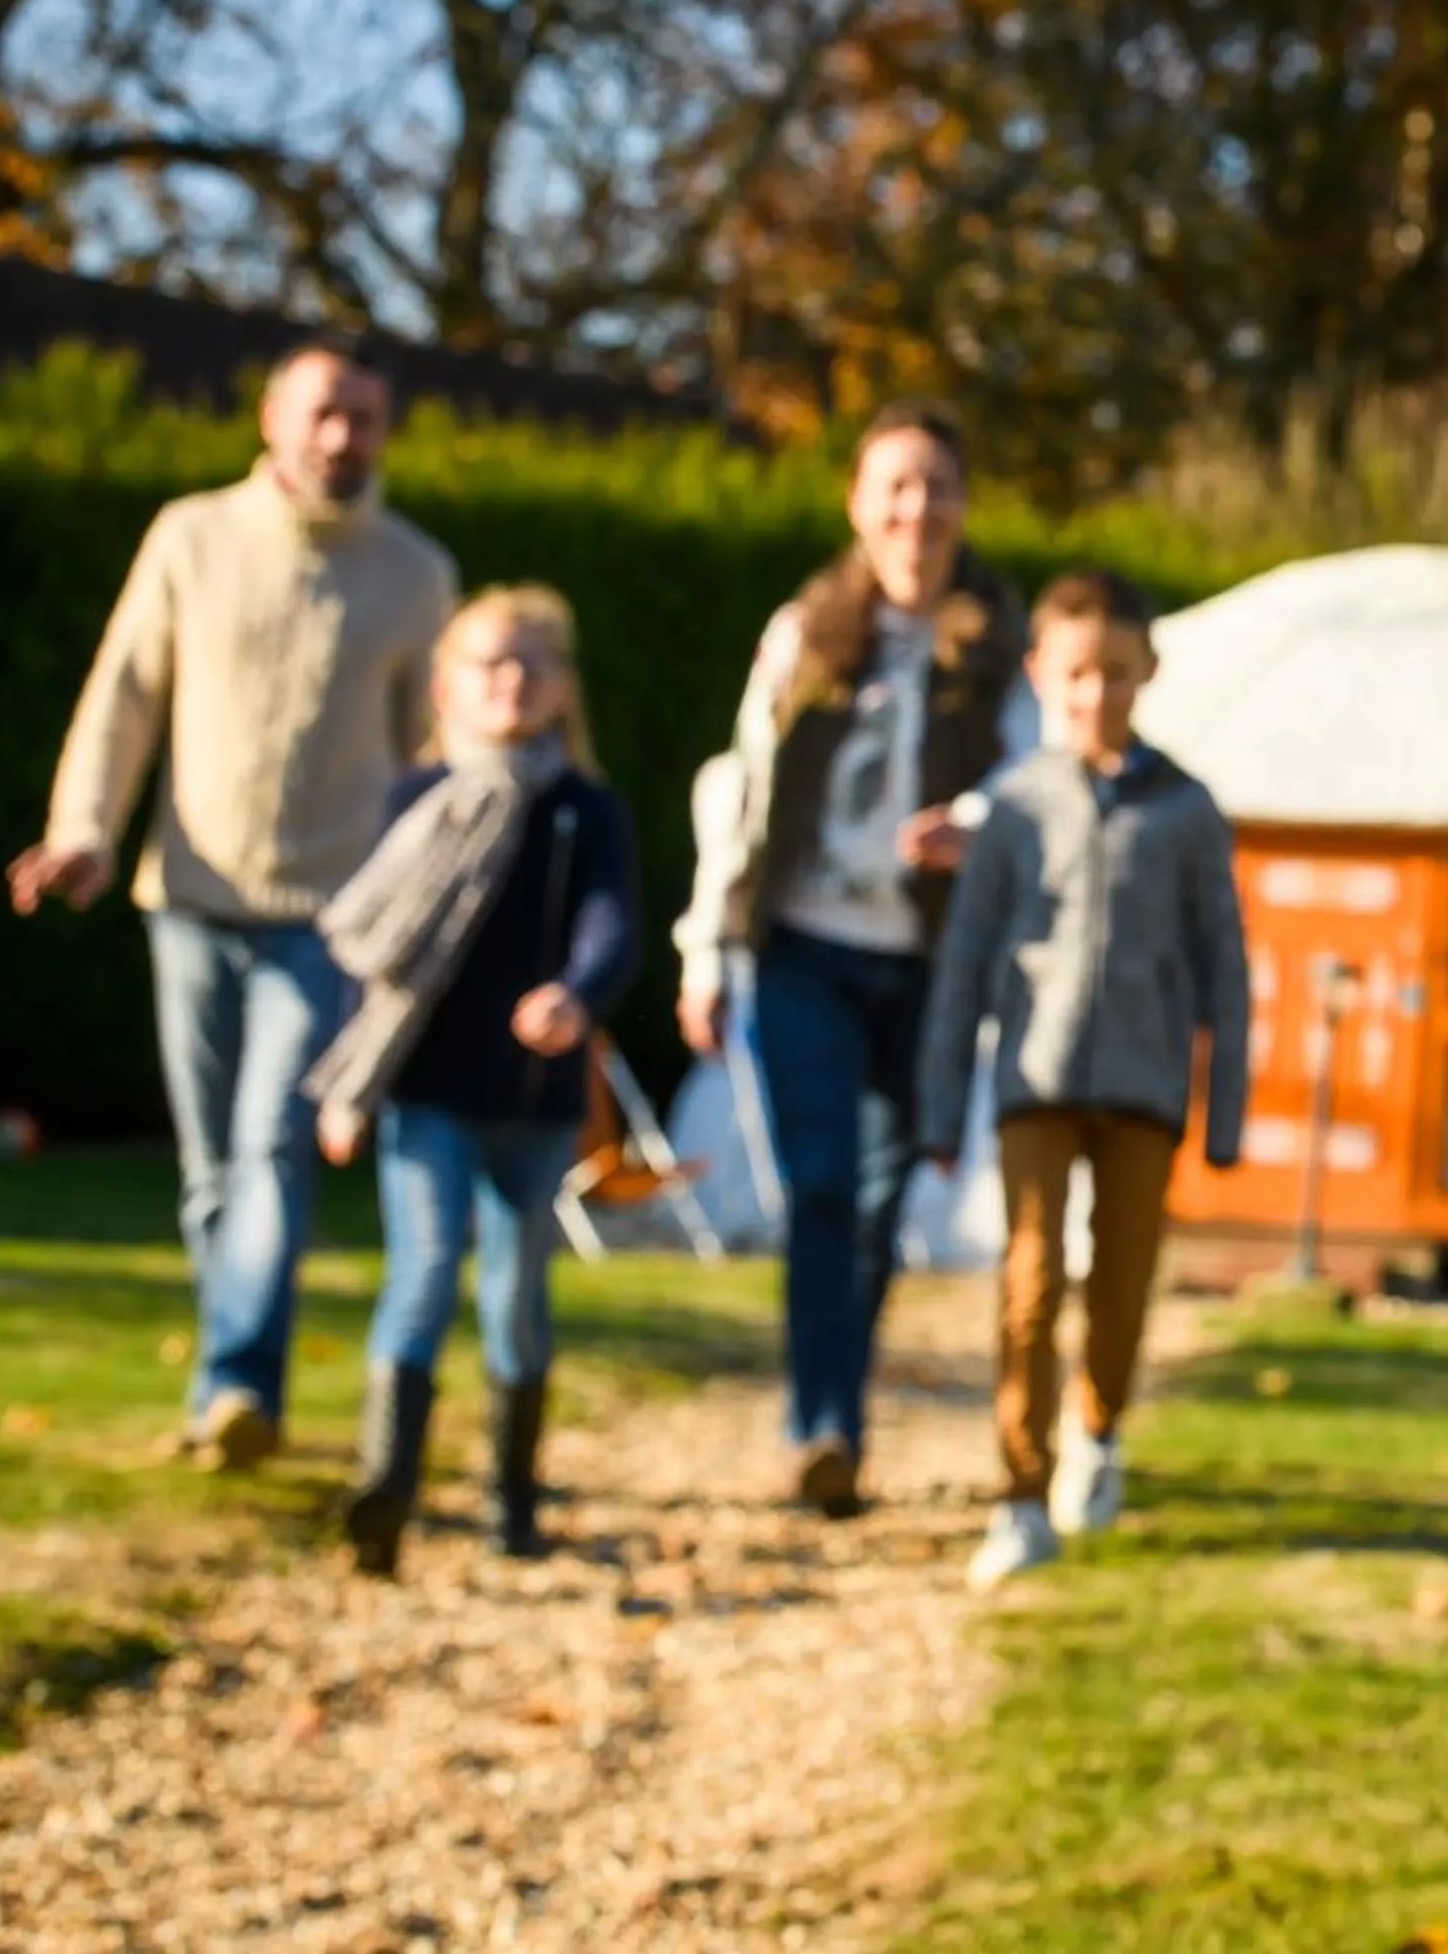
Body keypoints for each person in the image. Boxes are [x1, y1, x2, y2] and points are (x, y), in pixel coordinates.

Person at [8, 334, 455, 1472]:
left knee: (271, 1143)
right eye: (325, 412)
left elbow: (430, 764)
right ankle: (230, 1371)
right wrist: (84, 834)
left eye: (365, 416)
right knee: (213, 1165)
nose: (344, 436)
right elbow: (124, 696)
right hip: (192, 898)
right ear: (273, 418)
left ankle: (236, 1388)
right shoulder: (190, 537)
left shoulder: (416, 574)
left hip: (329, 917)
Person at [674, 400, 1035, 1517]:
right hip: (807, 950)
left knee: (884, 1196)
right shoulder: (808, 632)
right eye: (895, 486)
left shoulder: (996, 647)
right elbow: (739, 787)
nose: (915, 510)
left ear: (963, 506)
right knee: (823, 1183)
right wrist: (703, 945)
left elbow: (1030, 791)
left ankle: (840, 1412)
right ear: (858, 503)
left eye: (936, 487)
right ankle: (820, 1423)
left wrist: (971, 825)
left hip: (924, 958)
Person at [915, 570, 1251, 1591]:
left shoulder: (1186, 809)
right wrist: (939, 1101)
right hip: (1037, 1073)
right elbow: (967, 957)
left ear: (1146, 670)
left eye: (1114, 672)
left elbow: (1224, 967)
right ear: (1040, 676)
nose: (1096, 694)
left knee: (1122, 1278)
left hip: (1145, 1082)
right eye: (1075, 675)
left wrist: (1225, 1108)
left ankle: (1098, 1426)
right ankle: (1020, 1494)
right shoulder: (1016, 805)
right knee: (1028, 1279)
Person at [306, 584, 641, 1575]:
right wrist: (344, 1085)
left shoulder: (585, 813)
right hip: (426, 1093)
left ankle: (511, 1499)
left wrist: (577, 995)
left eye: (532, 664)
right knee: (419, 1275)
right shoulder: (416, 803)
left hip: (534, 1104)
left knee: (515, 1291)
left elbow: (613, 925)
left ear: (562, 687)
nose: (511, 681)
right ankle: (386, 1485)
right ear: (448, 684)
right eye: (490, 663)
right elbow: (370, 957)